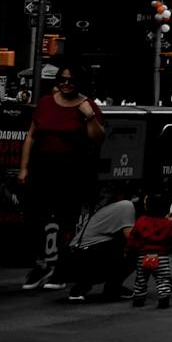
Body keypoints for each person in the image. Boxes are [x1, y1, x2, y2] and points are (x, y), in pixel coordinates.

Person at [19, 66, 109, 289]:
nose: (66, 83)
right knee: (35, 217)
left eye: (71, 79)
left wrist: (89, 116)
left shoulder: (87, 105)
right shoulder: (46, 102)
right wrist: (24, 168)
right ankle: (41, 265)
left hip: (72, 170)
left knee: (66, 219)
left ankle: (62, 269)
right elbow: (31, 136)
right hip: (42, 168)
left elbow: (98, 138)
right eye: (63, 79)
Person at [63, 189, 137, 303]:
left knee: (117, 247)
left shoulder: (102, 209)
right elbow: (131, 238)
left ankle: (86, 287)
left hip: (71, 257)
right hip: (85, 257)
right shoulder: (126, 206)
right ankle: (109, 288)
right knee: (135, 252)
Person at [127, 190, 172, 309]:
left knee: (141, 279)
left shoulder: (141, 221)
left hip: (143, 256)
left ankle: (139, 298)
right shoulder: (168, 224)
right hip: (161, 256)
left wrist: (130, 249)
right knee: (163, 279)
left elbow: (133, 237)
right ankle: (163, 298)